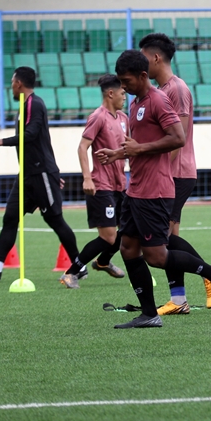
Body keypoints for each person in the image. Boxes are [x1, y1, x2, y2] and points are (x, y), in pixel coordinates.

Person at [95, 50, 211, 329]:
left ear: (143, 75)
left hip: (155, 190)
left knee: (156, 256)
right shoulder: (135, 104)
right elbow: (138, 146)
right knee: (128, 248)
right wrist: (118, 153)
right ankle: (149, 314)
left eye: (127, 81)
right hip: (136, 188)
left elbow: (178, 138)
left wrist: (139, 149)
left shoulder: (158, 100)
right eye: (121, 82)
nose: (124, 87)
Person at [0, 67, 82, 283]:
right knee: (10, 218)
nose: (11, 87)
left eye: (12, 82)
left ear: (18, 83)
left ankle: (79, 266)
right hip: (28, 175)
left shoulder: (34, 104)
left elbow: (30, 135)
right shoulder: (24, 106)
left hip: (41, 173)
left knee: (55, 220)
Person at [136, 32, 211, 316]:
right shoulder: (159, 90)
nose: (141, 64)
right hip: (166, 174)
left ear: (156, 57)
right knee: (168, 238)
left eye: (143, 57)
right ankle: (179, 299)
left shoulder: (177, 89)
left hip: (176, 173)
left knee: (164, 238)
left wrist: (158, 170)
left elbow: (177, 138)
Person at [59, 74, 129, 288]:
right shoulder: (98, 117)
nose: (125, 97)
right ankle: (71, 273)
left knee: (128, 230)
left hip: (120, 184)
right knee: (108, 237)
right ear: (111, 94)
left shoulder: (123, 118)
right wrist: (87, 178)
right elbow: (82, 147)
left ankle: (103, 261)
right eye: (122, 93)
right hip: (101, 185)